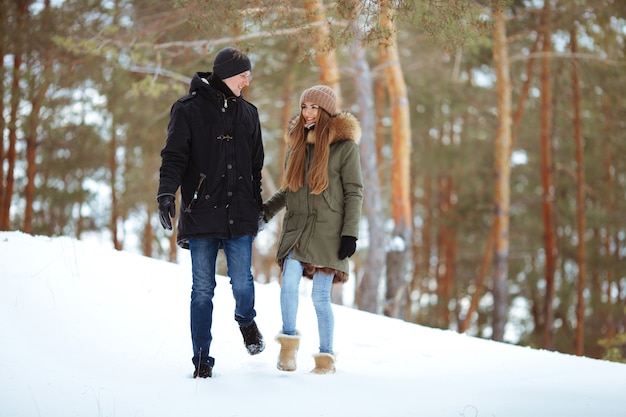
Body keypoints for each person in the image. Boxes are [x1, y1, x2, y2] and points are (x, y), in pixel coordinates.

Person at [157, 46, 265, 379]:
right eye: (243, 75)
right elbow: (174, 156)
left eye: (248, 76)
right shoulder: (187, 109)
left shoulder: (249, 113)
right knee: (202, 290)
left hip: (241, 212)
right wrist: (166, 193)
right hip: (202, 211)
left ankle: (246, 321)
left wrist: (256, 205)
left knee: (243, 283)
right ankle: (201, 358)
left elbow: (255, 164)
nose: (247, 82)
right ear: (227, 74)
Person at [263, 85, 363, 374]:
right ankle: (288, 347)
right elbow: (289, 189)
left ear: (326, 111)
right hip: (297, 228)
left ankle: (326, 358)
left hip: (329, 232)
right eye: (304, 106)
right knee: (288, 282)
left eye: (313, 107)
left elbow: (355, 191)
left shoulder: (345, 148)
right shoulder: (296, 145)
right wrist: (266, 211)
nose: (306, 112)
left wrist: (350, 233)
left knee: (321, 297)